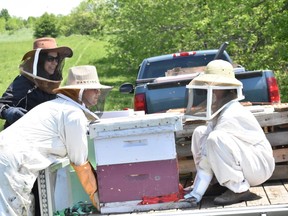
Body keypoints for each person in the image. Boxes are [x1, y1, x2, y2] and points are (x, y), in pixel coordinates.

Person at [0, 65, 112, 215]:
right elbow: (80, 163)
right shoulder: (73, 115)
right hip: (11, 165)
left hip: (9, 160)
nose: (98, 92)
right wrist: (100, 200)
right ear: (79, 91)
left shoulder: (57, 107)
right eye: (93, 88)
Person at [183, 60, 275, 205]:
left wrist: (197, 190)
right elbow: (205, 143)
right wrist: (203, 182)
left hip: (259, 166)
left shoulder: (232, 113)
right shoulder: (222, 109)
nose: (208, 88)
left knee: (215, 139)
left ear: (223, 87)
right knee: (200, 132)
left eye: (212, 84)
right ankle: (216, 183)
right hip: (247, 161)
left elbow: (208, 151)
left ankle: (239, 189)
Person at [0, 37, 73, 129]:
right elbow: (1, 105)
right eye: (50, 59)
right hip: (20, 136)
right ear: (39, 61)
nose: (55, 63)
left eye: (57, 59)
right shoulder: (24, 82)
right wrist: (9, 112)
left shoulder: (50, 83)